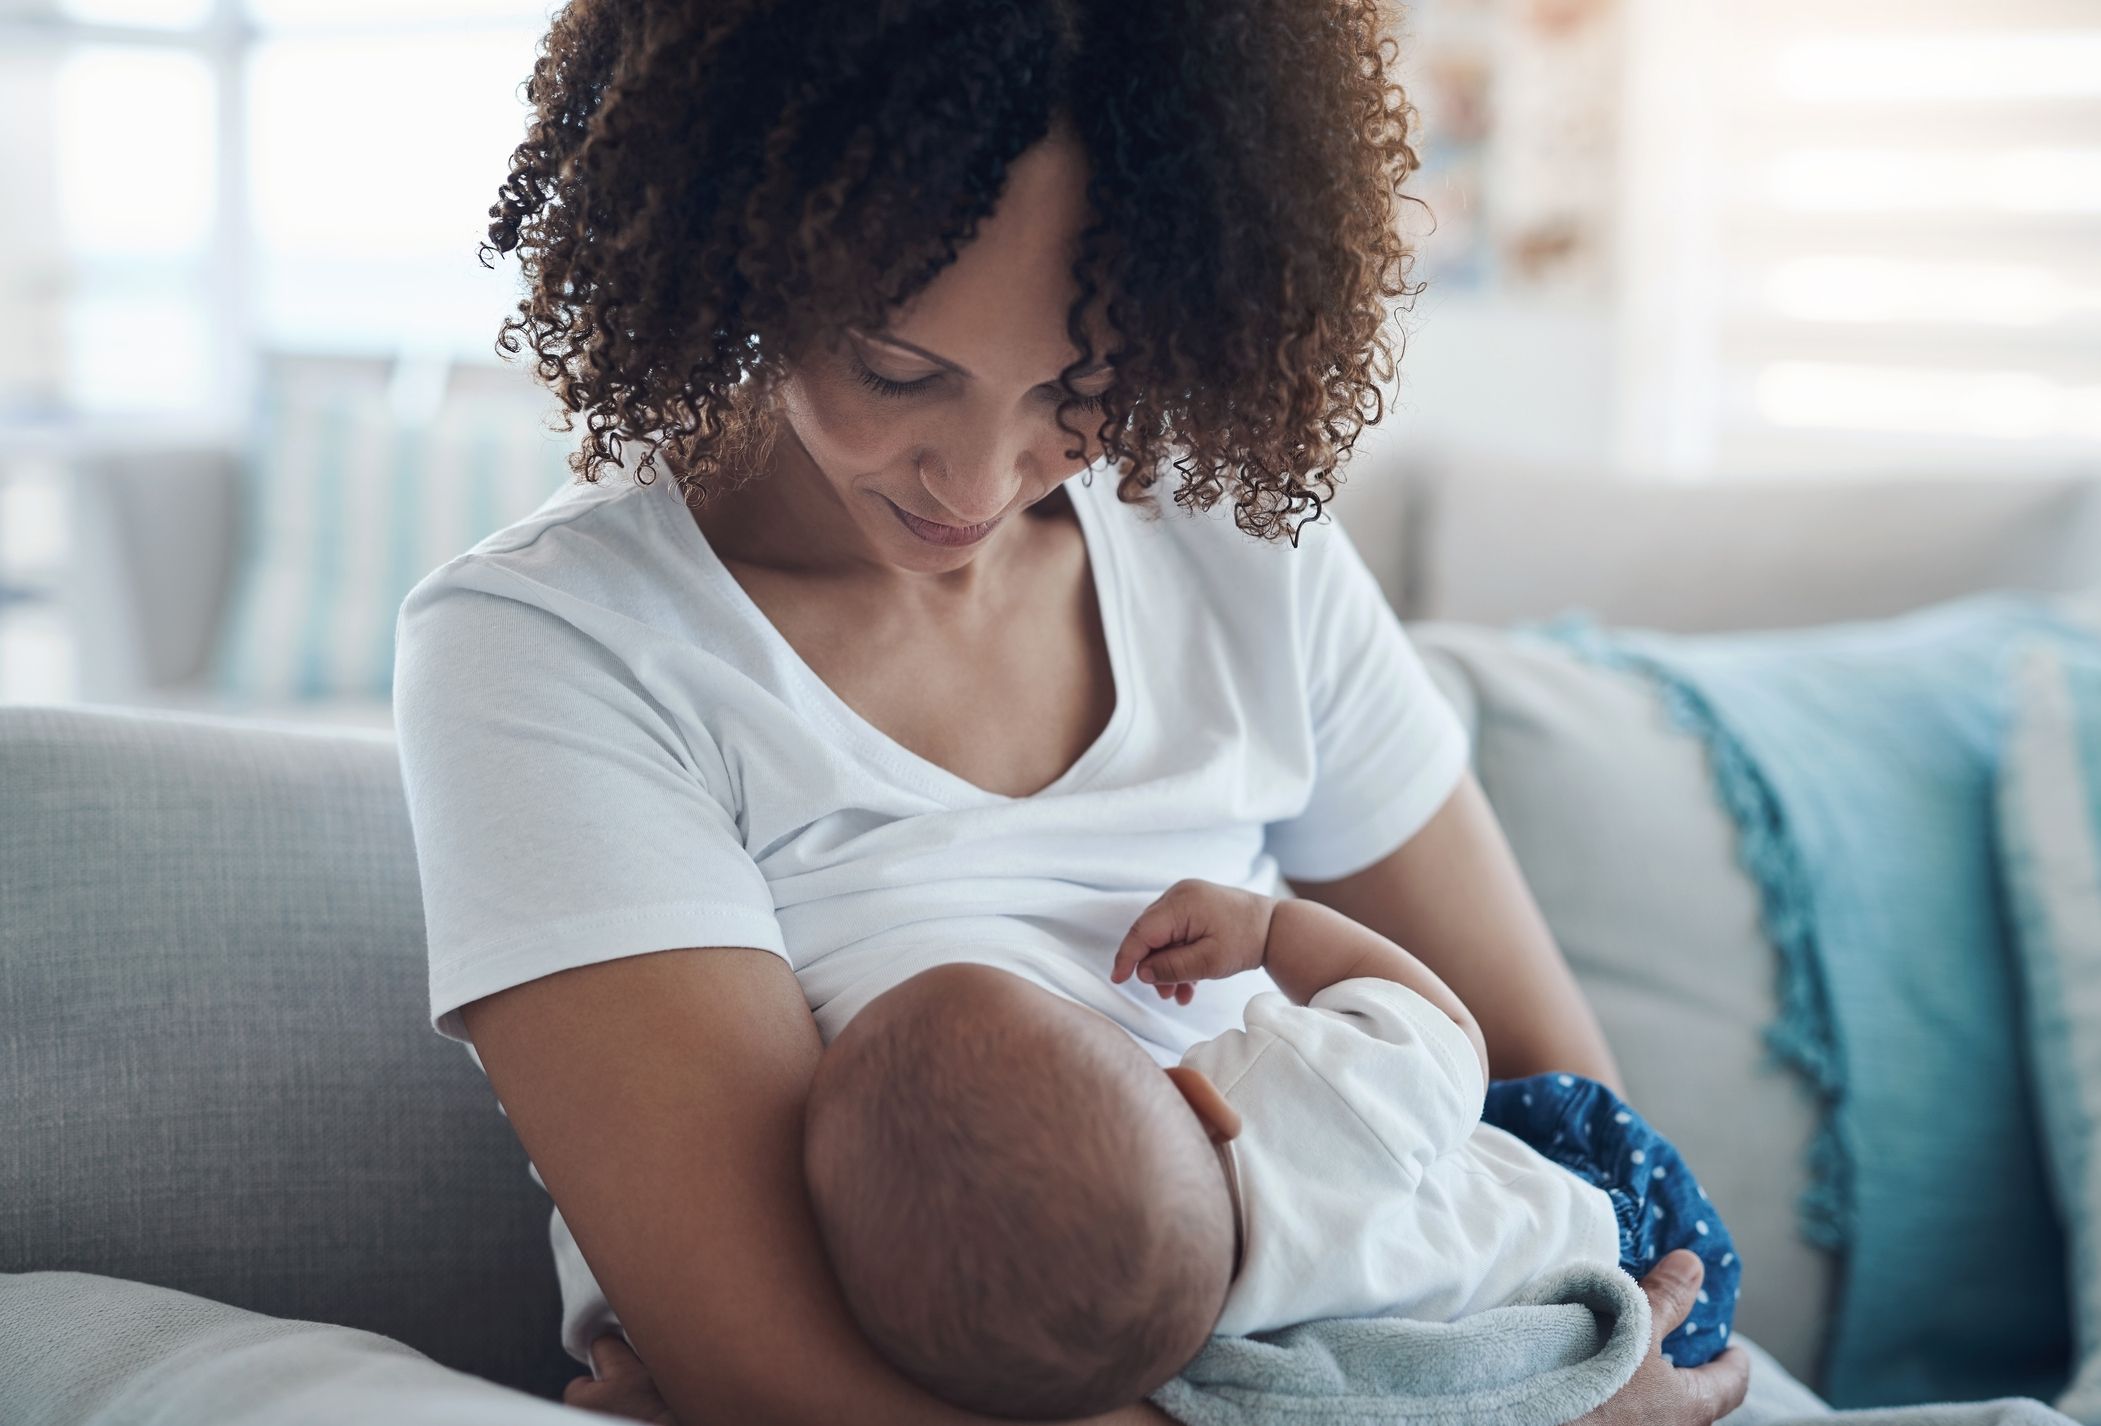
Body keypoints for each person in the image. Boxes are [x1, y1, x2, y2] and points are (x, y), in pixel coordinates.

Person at [392, 3, 1763, 1423]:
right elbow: (779, 1374)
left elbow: (1570, 1119)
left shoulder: (1238, 547)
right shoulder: (554, 647)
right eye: (898, 368)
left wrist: (1544, 1369)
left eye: (1079, 387)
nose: (977, 483)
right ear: (733, 233)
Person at [799, 879, 1740, 1420]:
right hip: (1620, 1230)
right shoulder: (1294, 1092)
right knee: (1515, 1110)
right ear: (1197, 1097)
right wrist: (1274, 930)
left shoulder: (1189, 1367)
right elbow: (1448, 1032)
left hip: (1552, 1353)